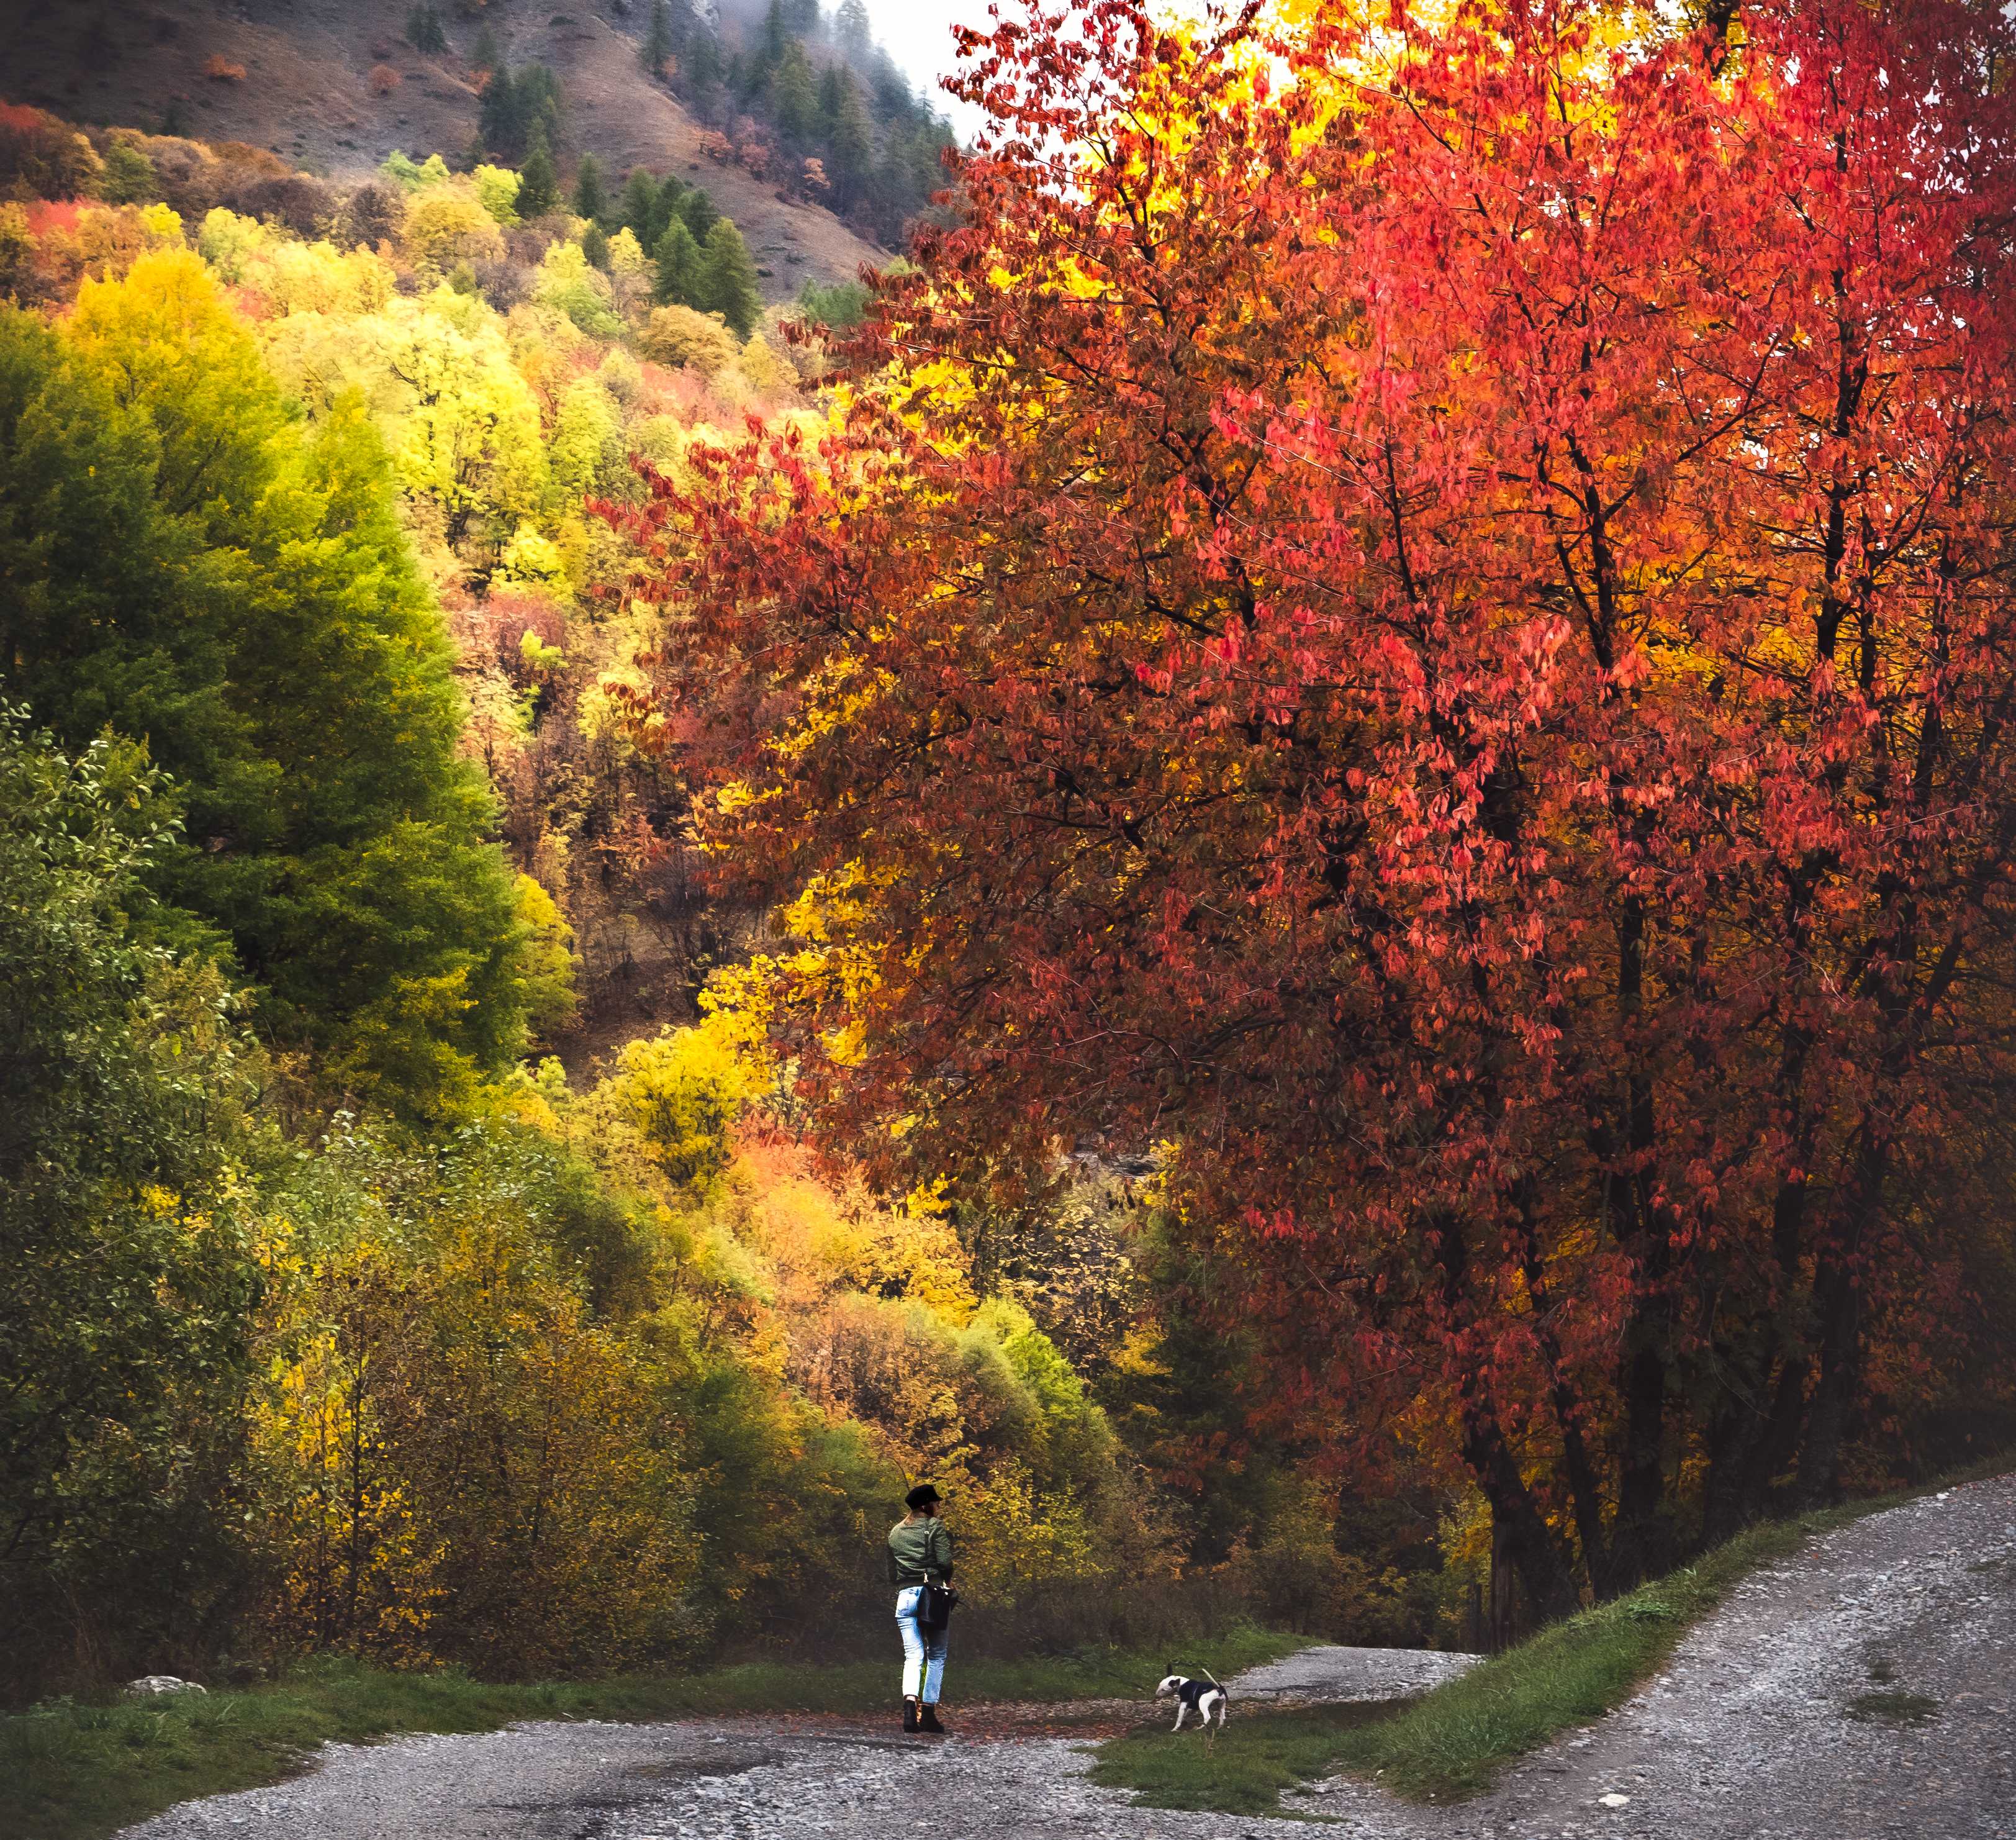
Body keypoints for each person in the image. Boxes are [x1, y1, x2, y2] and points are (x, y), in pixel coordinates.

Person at [887, 1481, 953, 1734]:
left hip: (905, 1596)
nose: (938, 1506)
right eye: (935, 1502)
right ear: (926, 1506)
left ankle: (908, 1709)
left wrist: (908, 1580)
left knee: (913, 1656)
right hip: (932, 1596)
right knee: (936, 1655)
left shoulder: (895, 1532)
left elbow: (891, 1571)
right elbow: (945, 1561)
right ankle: (928, 1714)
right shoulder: (935, 1526)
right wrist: (946, 1579)